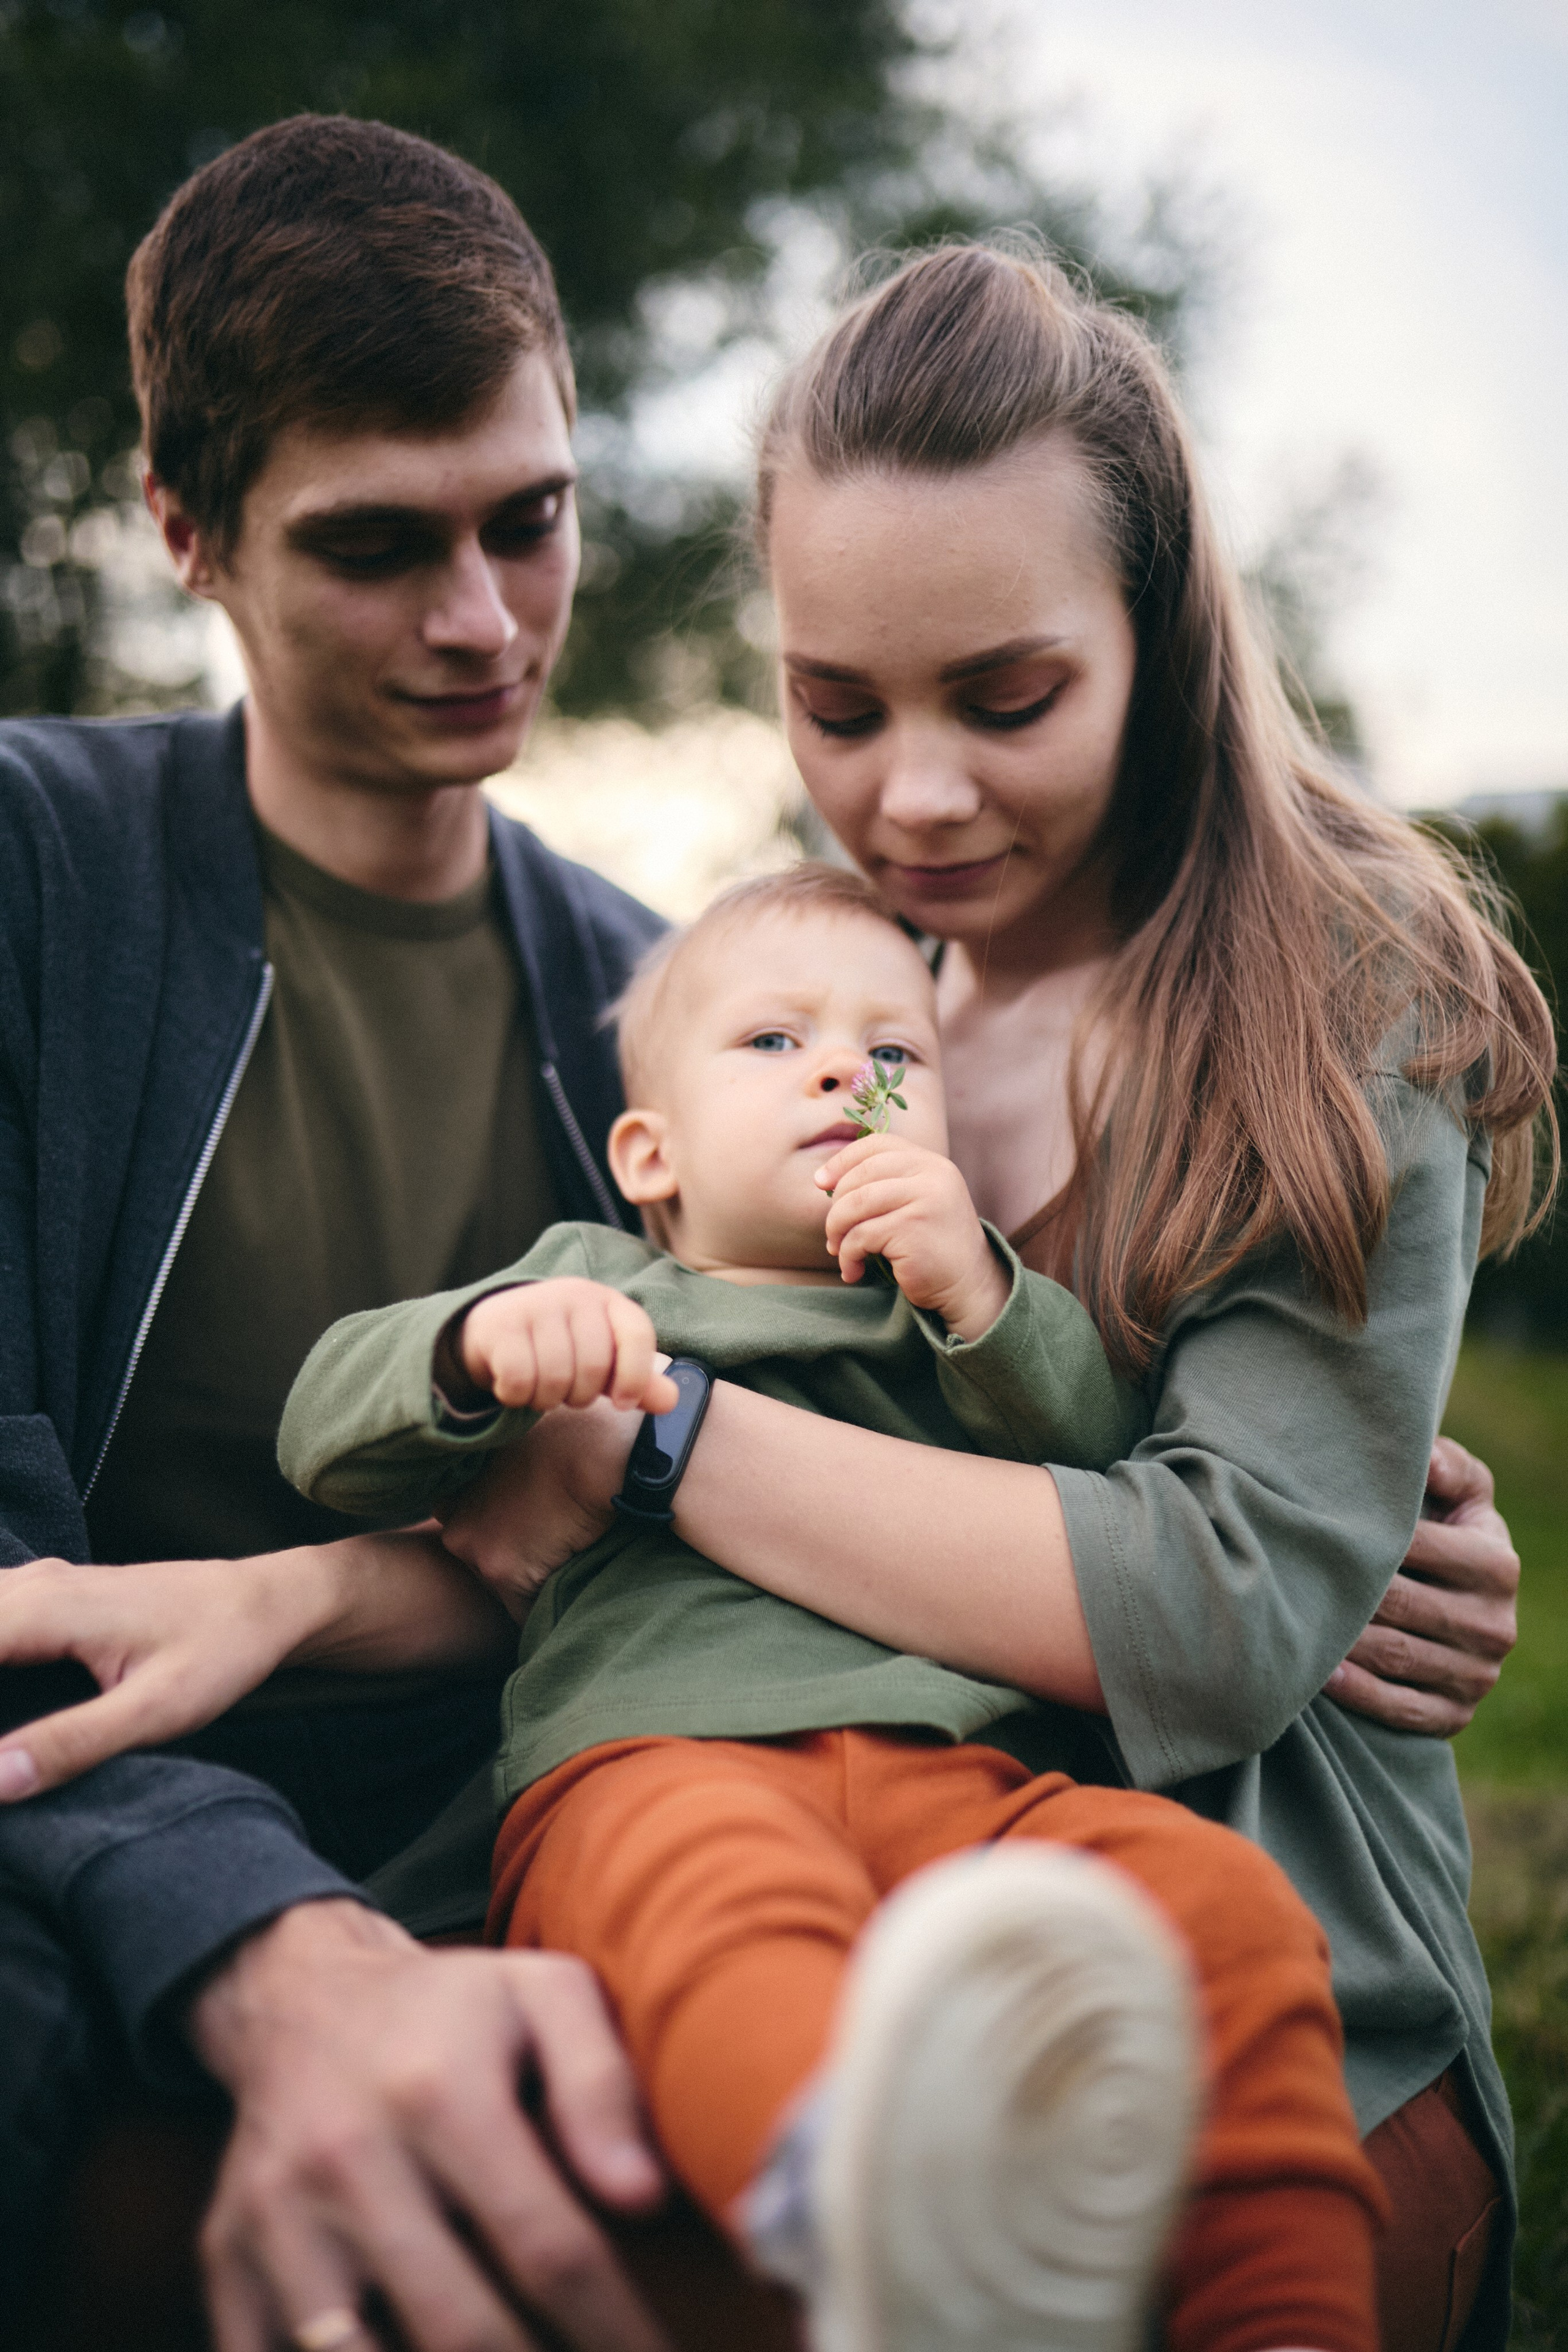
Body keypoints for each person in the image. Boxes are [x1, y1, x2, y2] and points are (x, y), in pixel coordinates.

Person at [0, 133, 1529, 2351]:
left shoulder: (1256, 997)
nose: (915, 801)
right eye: (838, 708)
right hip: (675, 1858)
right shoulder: (783, 1018)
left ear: (1157, 629)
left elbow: (1175, 1577)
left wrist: (667, 1436)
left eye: (1010, 697)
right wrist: (307, 1606)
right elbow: (535, 1492)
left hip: (1160, 1926)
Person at [276, 860, 1393, 2352]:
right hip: (650, 1764)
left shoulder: (946, 1319)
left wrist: (979, 1296)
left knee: (1213, 1904)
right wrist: (473, 1349)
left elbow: (1104, 1463)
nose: (838, 1072)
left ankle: (1283, 2306)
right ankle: (870, 2235)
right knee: (718, 1915)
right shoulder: (596, 1291)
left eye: (892, 1053)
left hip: (972, 1780)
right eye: (772, 1040)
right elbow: (325, 1436)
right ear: (650, 1155)